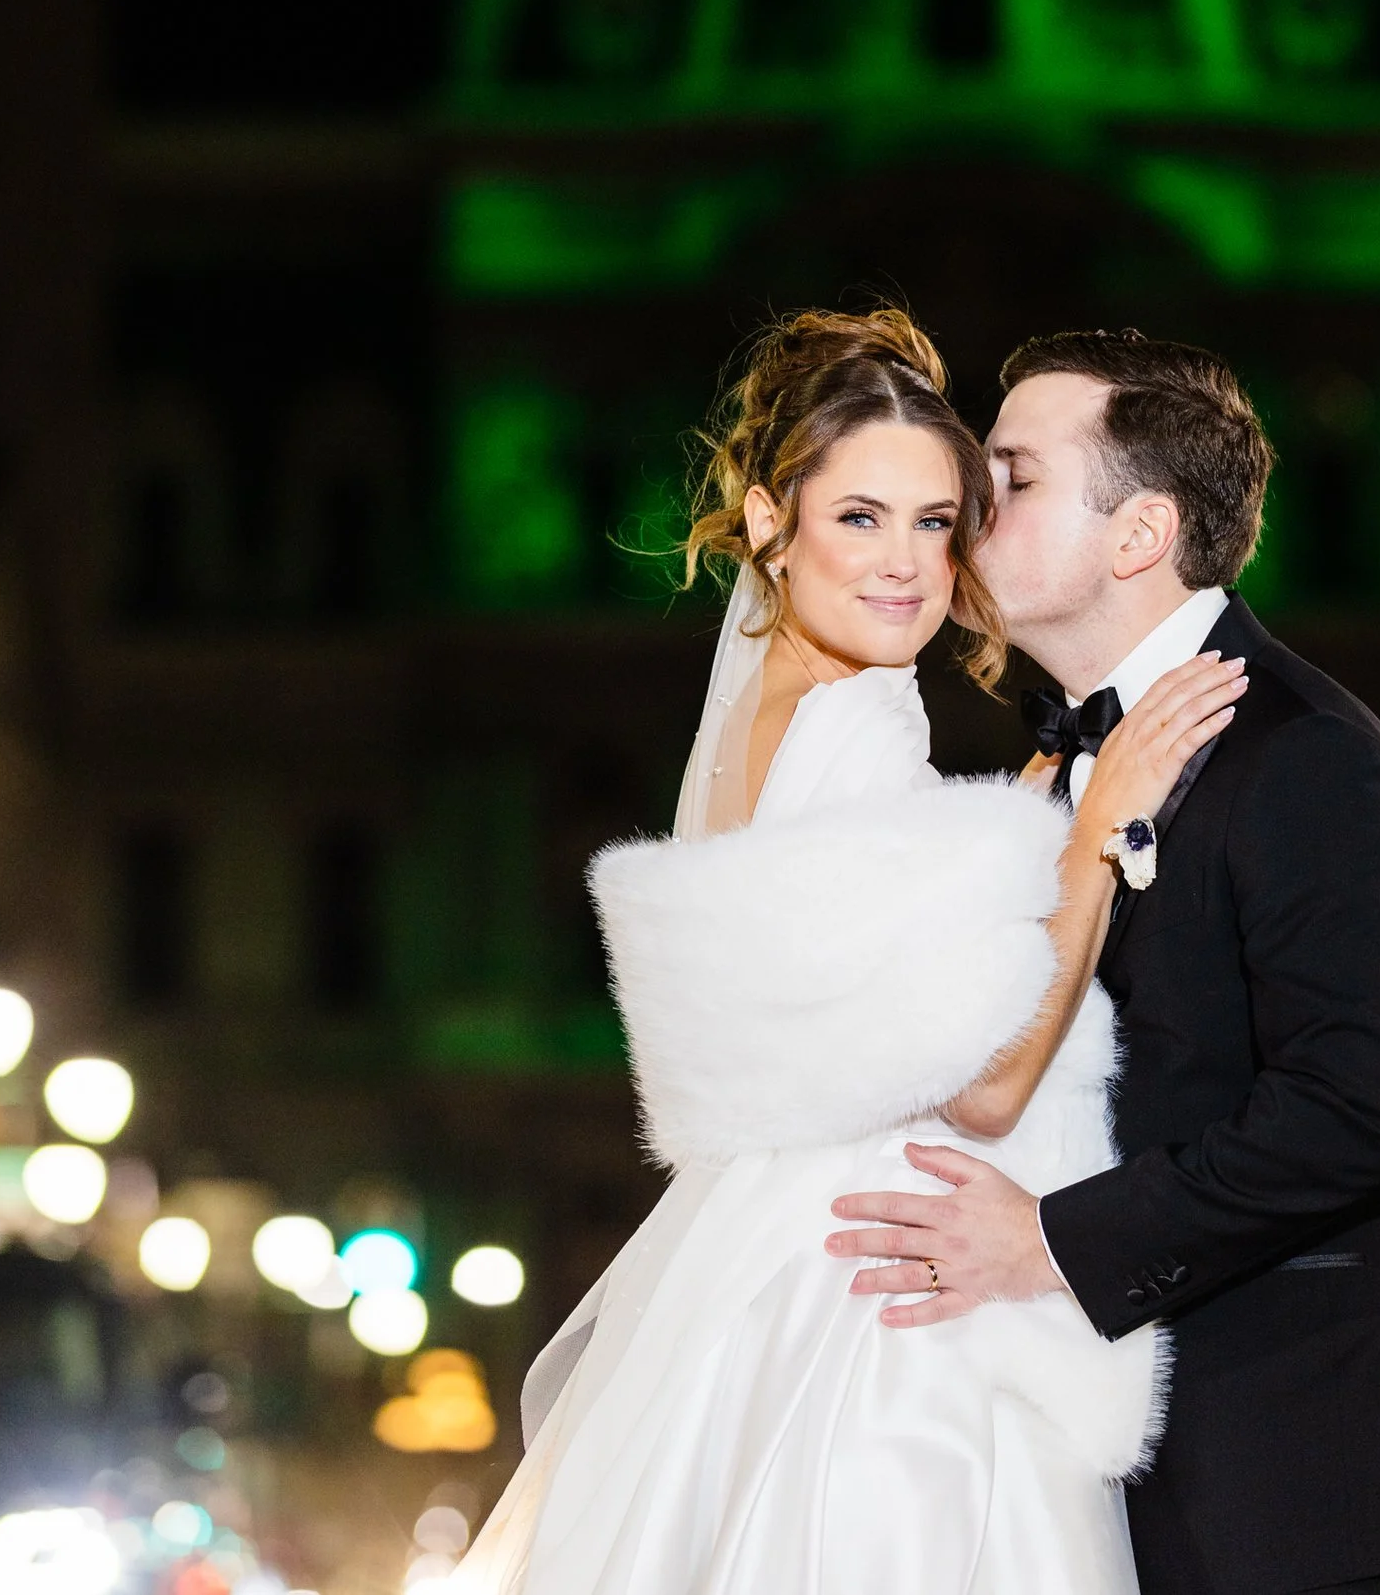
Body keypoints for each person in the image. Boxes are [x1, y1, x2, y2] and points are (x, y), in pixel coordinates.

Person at [461, 305, 1246, 1594]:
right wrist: (1097, 838)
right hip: (883, 1298)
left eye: (937, 521)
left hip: (764, 1268)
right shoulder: (856, 725)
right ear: (773, 520)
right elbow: (985, 1088)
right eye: (860, 516)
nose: (906, 565)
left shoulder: (761, 711)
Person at [827, 326, 1380, 1595]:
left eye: (1015, 473)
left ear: (1138, 534)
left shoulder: (1305, 753)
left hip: (1300, 1465)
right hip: (1147, 1454)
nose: (968, 504)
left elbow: (1354, 1111)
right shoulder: (1063, 762)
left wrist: (1046, 1242)